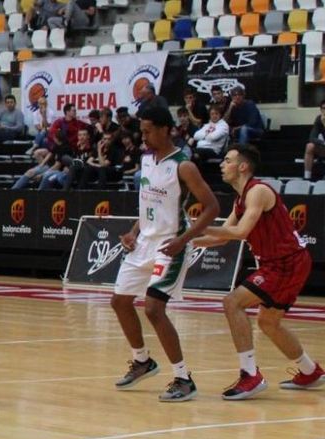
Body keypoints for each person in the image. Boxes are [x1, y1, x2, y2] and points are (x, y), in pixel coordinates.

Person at [194, 144, 325, 399]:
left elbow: (240, 232)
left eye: (228, 160)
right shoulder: (240, 198)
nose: (222, 164)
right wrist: (187, 240)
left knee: (232, 303)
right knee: (268, 323)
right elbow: (223, 238)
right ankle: (310, 371)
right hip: (280, 263)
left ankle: (250, 375)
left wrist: (200, 227)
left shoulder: (258, 192)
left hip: (287, 262)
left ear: (242, 166)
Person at [110, 106, 219, 402]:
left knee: (154, 309)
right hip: (143, 241)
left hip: (171, 244)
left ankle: (184, 378)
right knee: (119, 302)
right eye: (141, 131)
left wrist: (183, 240)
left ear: (165, 129)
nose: (142, 137)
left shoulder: (184, 165)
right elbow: (148, 205)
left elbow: (212, 208)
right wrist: (134, 231)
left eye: (147, 131)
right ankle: (143, 360)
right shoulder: (146, 160)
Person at [303, 99, 325, 180]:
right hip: (323, 147)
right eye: (323, 108)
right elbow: (312, 137)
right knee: (310, 146)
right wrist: (322, 142)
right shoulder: (319, 119)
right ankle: (307, 177)